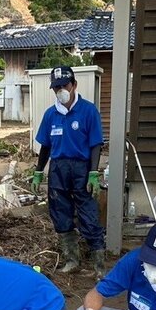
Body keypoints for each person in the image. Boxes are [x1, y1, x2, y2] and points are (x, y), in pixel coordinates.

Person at [32, 65, 106, 277]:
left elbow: (95, 145)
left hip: (81, 168)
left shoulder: (88, 111)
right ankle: (71, 259)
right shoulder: (50, 115)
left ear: (74, 85)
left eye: (64, 85)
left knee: (88, 214)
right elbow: (45, 146)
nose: (60, 90)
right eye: (56, 87)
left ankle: (98, 266)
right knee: (60, 213)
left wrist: (93, 172)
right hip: (58, 169)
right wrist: (39, 171)